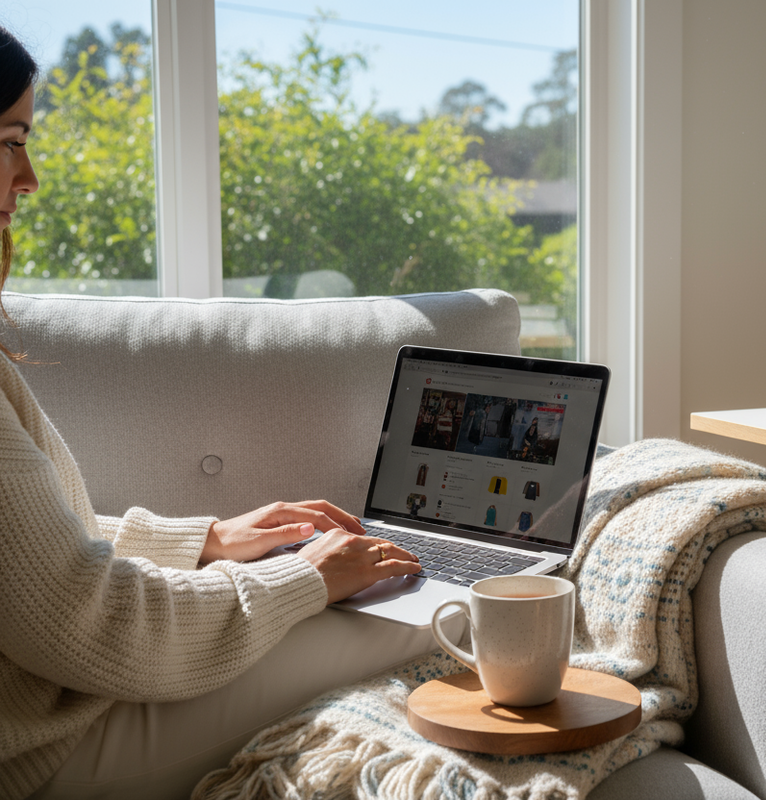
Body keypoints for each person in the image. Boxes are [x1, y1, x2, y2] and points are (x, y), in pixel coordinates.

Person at [0, 26, 449, 799]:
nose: (29, 176)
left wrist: (202, 540)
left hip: (47, 710)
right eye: (10, 141)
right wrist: (303, 581)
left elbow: (28, 554)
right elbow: (91, 622)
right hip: (48, 751)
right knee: (430, 624)